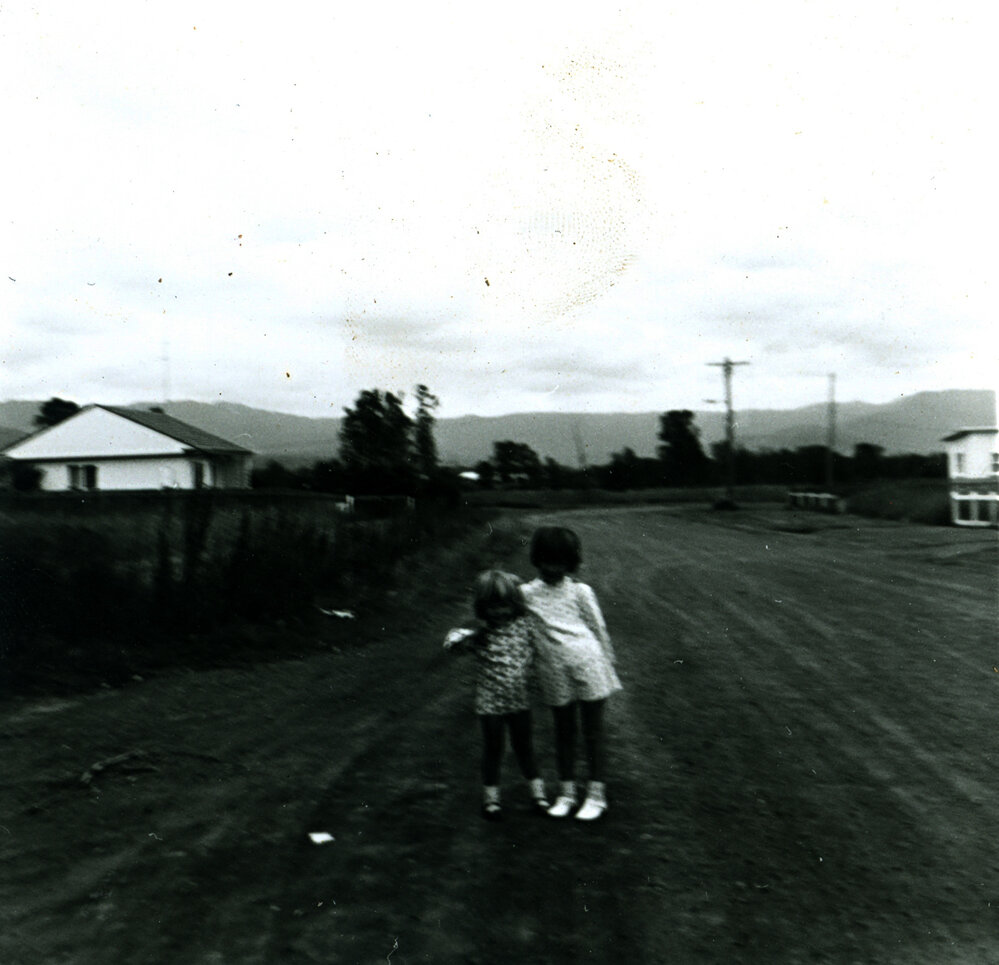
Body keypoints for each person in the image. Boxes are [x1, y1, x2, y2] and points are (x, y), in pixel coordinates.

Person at [521, 526, 621, 821]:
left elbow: (598, 628)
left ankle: (596, 795)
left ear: (571, 563)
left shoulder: (580, 592)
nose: (554, 569)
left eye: (561, 563)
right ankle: (566, 793)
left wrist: (608, 664)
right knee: (564, 732)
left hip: (589, 665)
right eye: (548, 561)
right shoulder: (525, 594)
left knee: (593, 732)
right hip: (553, 671)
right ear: (537, 559)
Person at [443, 570, 550, 821]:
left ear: (514, 604)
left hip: (519, 700)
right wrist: (467, 636)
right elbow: (450, 644)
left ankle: (538, 795)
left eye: (505, 605)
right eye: (493, 607)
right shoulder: (481, 632)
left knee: (524, 747)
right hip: (490, 702)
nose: (499, 612)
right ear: (483, 607)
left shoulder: (524, 625)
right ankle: (491, 799)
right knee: (494, 748)